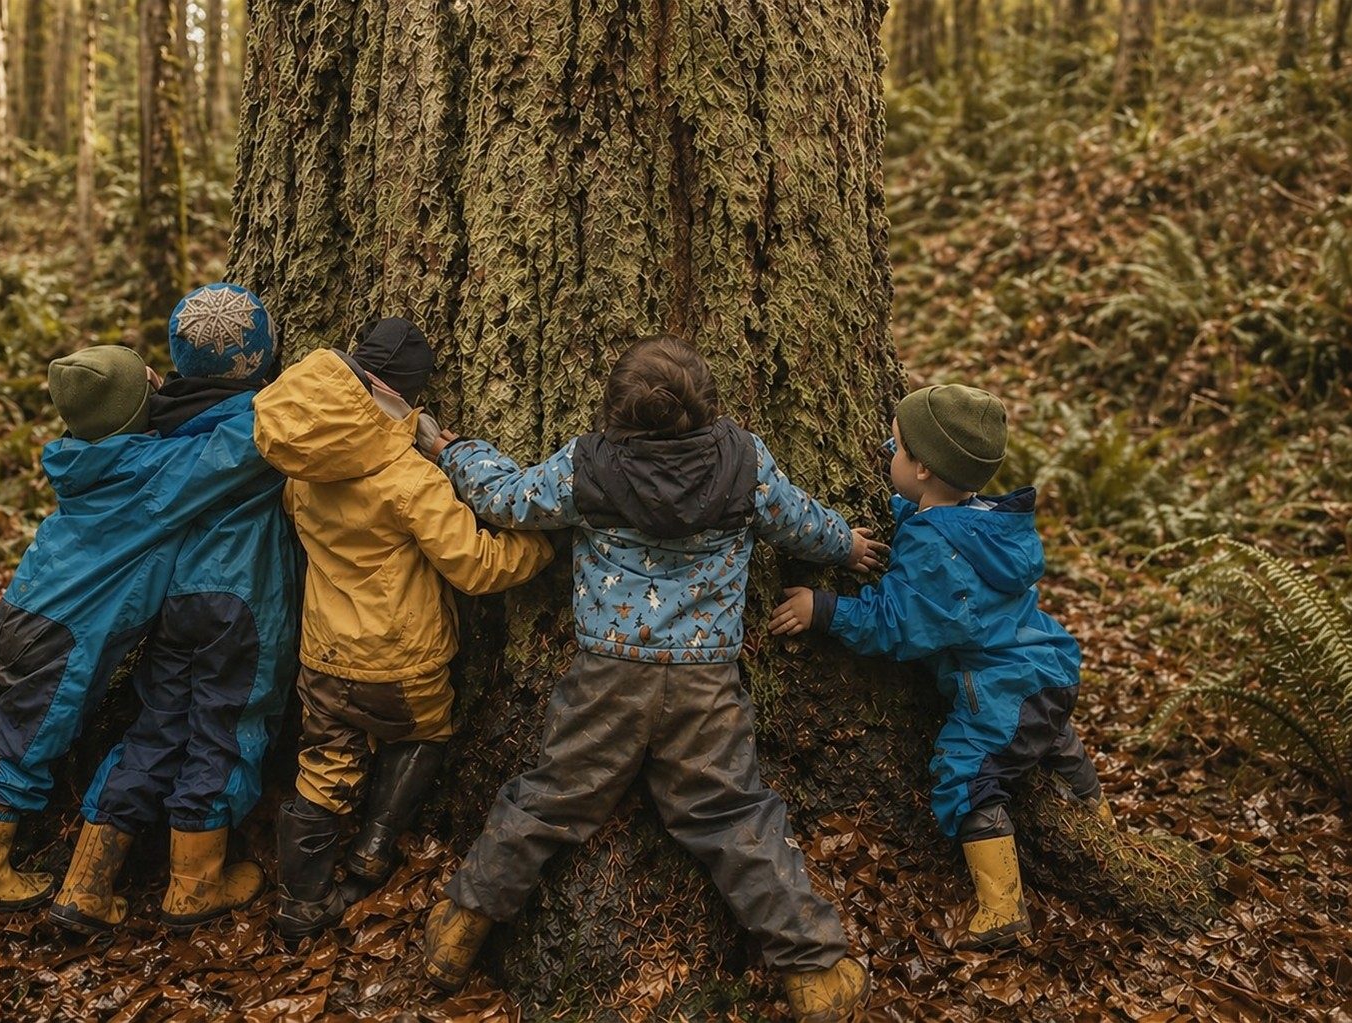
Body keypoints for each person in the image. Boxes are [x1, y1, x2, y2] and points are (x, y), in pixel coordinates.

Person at [419, 335, 886, 1023]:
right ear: (708, 405)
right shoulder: (744, 461)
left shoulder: (588, 465)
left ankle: (460, 926)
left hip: (608, 673)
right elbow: (798, 524)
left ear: (615, 412)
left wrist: (453, 450)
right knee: (729, 813)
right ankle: (814, 973)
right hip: (704, 680)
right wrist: (846, 542)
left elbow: (505, 498)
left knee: (551, 798)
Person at [0, 345, 275, 920]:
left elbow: (121, 410)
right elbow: (233, 451)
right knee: (27, 745)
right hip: (66, 638)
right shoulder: (152, 477)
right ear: (138, 412)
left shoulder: (80, 459)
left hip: (20, 609)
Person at [769, 384, 1113, 950]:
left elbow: (898, 624)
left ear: (924, 468)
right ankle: (1099, 821)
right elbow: (930, 520)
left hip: (999, 686)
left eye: (897, 449)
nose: (888, 455)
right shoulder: (978, 520)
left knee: (967, 774)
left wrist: (824, 609)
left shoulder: (935, 549)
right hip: (1046, 667)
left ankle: (1003, 909)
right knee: (1052, 739)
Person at [251, 318, 556, 942]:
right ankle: (375, 846)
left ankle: (302, 900)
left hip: (325, 656)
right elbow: (476, 564)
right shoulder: (407, 478)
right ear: (408, 395)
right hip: (402, 662)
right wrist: (541, 550)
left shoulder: (303, 469)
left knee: (325, 764)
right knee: (424, 733)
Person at [50, 284, 304, 935]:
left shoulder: (148, 423)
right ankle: (194, 884)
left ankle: (85, 882)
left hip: (171, 604)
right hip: (243, 606)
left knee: (157, 727)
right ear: (263, 354)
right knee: (225, 729)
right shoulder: (267, 422)